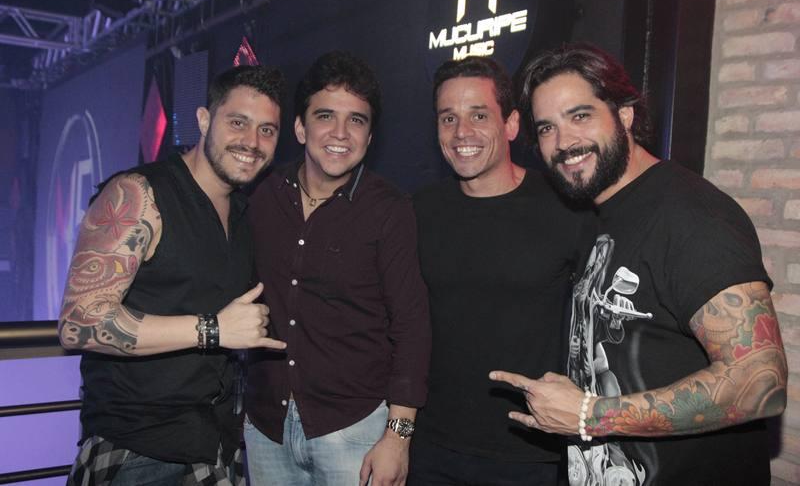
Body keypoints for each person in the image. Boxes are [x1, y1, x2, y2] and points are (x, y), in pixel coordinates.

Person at [491, 42, 788, 485]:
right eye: (547, 128)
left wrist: (591, 415)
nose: (564, 142)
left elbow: (761, 381)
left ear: (625, 115)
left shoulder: (691, 215)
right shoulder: (597, 212)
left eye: (580, 116)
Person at [58, 65, 287, 485]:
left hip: (215, 446)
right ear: (203, 120)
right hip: (138, 449)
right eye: (238, 122)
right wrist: (214, 329)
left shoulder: (242, 212)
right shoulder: (139, 193)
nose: (252, 142)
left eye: (267, 130)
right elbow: (80, 323)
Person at [244, 50, 431, 486]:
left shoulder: (389, 209)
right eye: (325, 116)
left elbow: (411, 325)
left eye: (357, 120)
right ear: (300, 127)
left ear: (370, 136)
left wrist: (398, 437)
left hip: (354, 431)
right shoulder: (263, 197)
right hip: (266, 426)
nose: (341, 133)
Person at [409, 56, 593, 485]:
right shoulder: (419, 211)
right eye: (448, 118)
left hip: (530, 450)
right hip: (433, 447)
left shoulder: (566, 207)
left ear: (510, 124)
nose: (461, 132)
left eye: (478, 115)